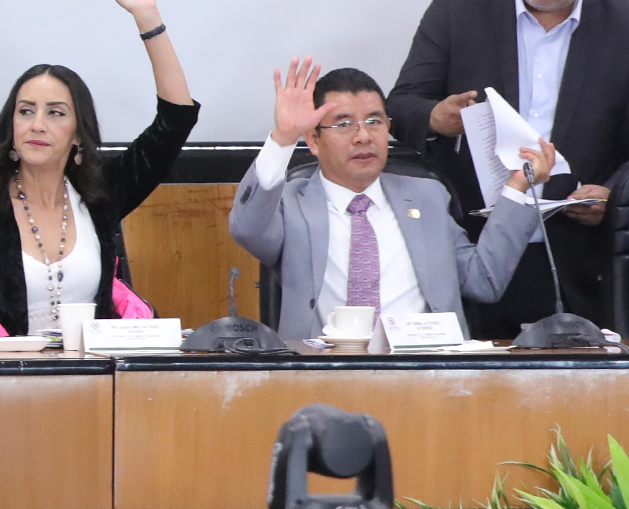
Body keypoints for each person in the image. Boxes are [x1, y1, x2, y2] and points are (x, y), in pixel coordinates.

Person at [390, 0, 629, 336]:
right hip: (470, 248)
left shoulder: (623, 26)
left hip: (578, 259)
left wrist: (612, 196)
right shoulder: (460, 1)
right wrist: (438, 118)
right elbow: (402, 103)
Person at [0, 0, 198, 339]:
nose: (37, 124)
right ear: (12, 126)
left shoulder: (99, 196)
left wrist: (148, 19)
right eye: (26, 111)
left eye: (55, 113)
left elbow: (176, 121)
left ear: (78, 134)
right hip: (8, 372)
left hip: (95, 372)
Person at [234, 59, 552, 341]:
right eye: (344, 124)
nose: (363, 136)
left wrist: (517, 188)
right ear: (314, 140)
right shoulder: (292, 203)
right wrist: (283, 138)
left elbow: (483, 281)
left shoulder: (427, 197)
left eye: (374, 122)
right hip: (324, 373)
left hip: (426, 371)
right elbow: (247, 228)